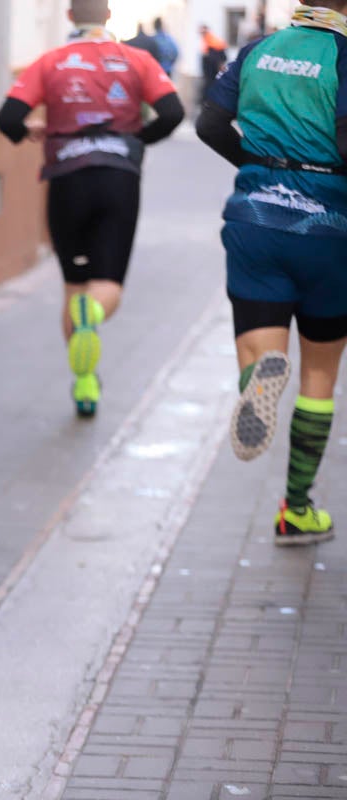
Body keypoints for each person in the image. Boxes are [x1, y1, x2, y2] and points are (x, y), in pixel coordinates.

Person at [195, 0, 347, 545]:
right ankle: (297, 509)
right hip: (328, 230)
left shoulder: (258, 49)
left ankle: (257, 380)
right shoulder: (343, 53)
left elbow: (209, 122)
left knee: (262, 355)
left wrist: (261, 167)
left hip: (254, 217)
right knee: (320, 375)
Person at [0, 0, 185, 416]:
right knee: (107, 283)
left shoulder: (51, 61)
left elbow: (9, 118)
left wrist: (31, 130)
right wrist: (135, 142)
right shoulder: (137, 59)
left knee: (73, 286)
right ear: (108, 17)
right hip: (118, 178)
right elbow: (173, 112)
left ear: (69, 18)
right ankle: (94, 312)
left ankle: (85, 384)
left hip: (68, 179)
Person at [201, 25, 230, 99]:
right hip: (212, 67)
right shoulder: (207, 40)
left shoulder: (211, 41)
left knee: (211, 83)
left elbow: (217, 56)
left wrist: (219, 64)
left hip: (212, 68)